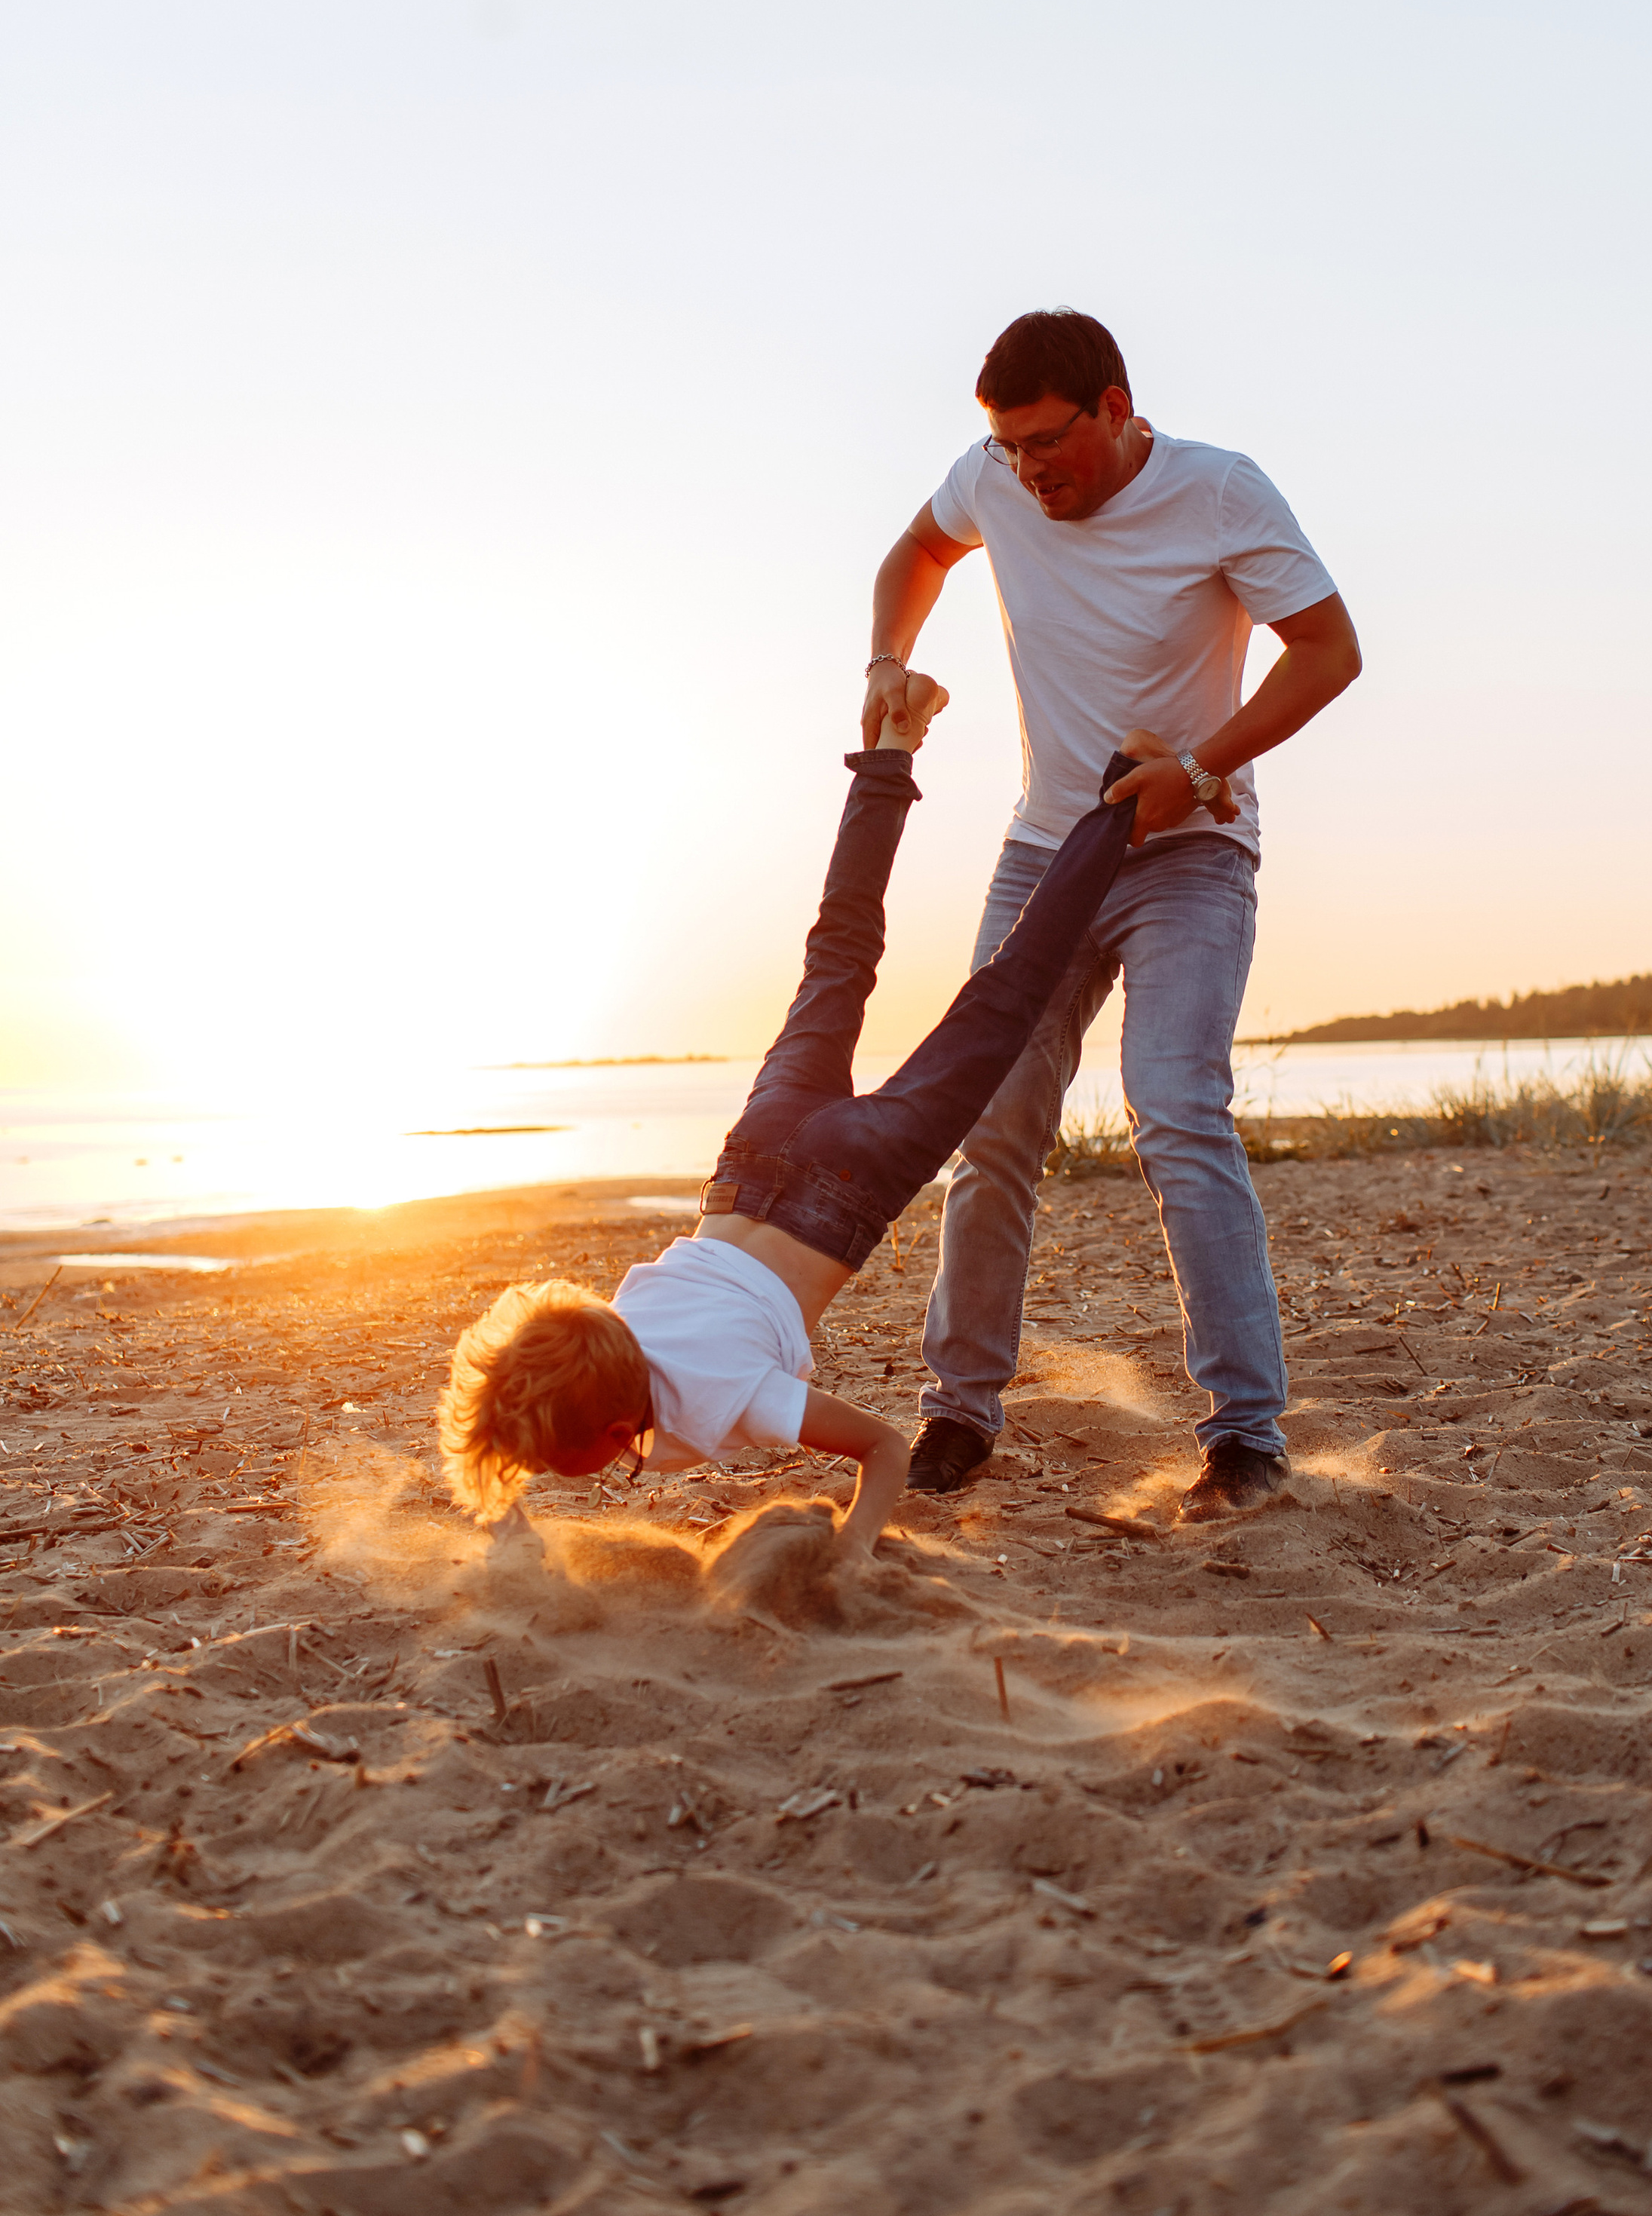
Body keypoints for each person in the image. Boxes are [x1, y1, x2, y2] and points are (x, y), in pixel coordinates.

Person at [437, 676, 1160, 1555]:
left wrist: (848, 1558)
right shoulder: (602, 1334)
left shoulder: (724, 1395)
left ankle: (1128, 786)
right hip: (753, 1158)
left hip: (847, 1186)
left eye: (555, 1460)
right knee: (839, 950)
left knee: (1008, 995)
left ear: (607, 1424)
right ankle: (889, 747)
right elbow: (531, 1394)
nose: (547, 1472)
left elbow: (885, 1450)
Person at [865, 308, 1361, 1525]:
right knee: (991, 1121)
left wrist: (1196, 768)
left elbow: (1329, 651)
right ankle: (962, 1408)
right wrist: (888, 657)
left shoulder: (1221, 493)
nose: (1033, 472)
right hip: (1045, 854)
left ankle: (1245, 1432)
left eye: (1050, 442)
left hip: (1188, 852)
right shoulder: (993, 479)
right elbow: (915, 557)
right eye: (1012, 449)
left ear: (1117, 405)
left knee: (1177, 1108)